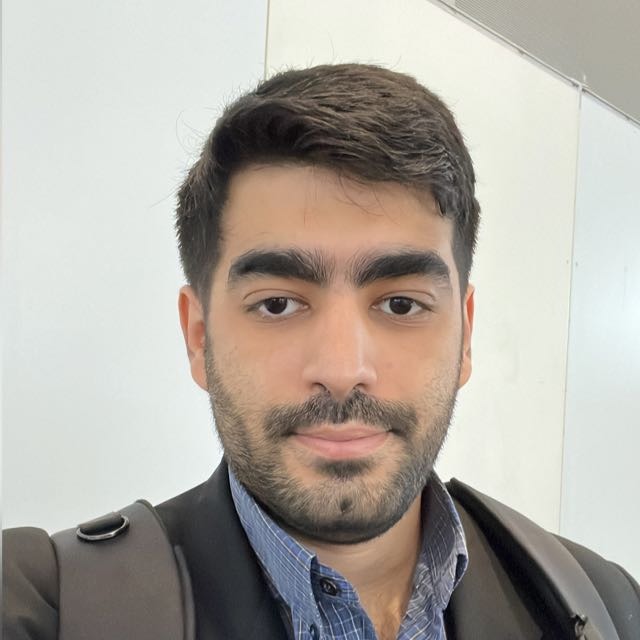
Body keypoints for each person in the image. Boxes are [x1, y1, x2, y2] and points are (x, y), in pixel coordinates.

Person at [3, 64, 639, 640]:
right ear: (199, 335)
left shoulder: (604, 603)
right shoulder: (45, 608)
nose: (341, 370)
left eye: (401, 304)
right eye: (278, 304)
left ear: (465, 335)